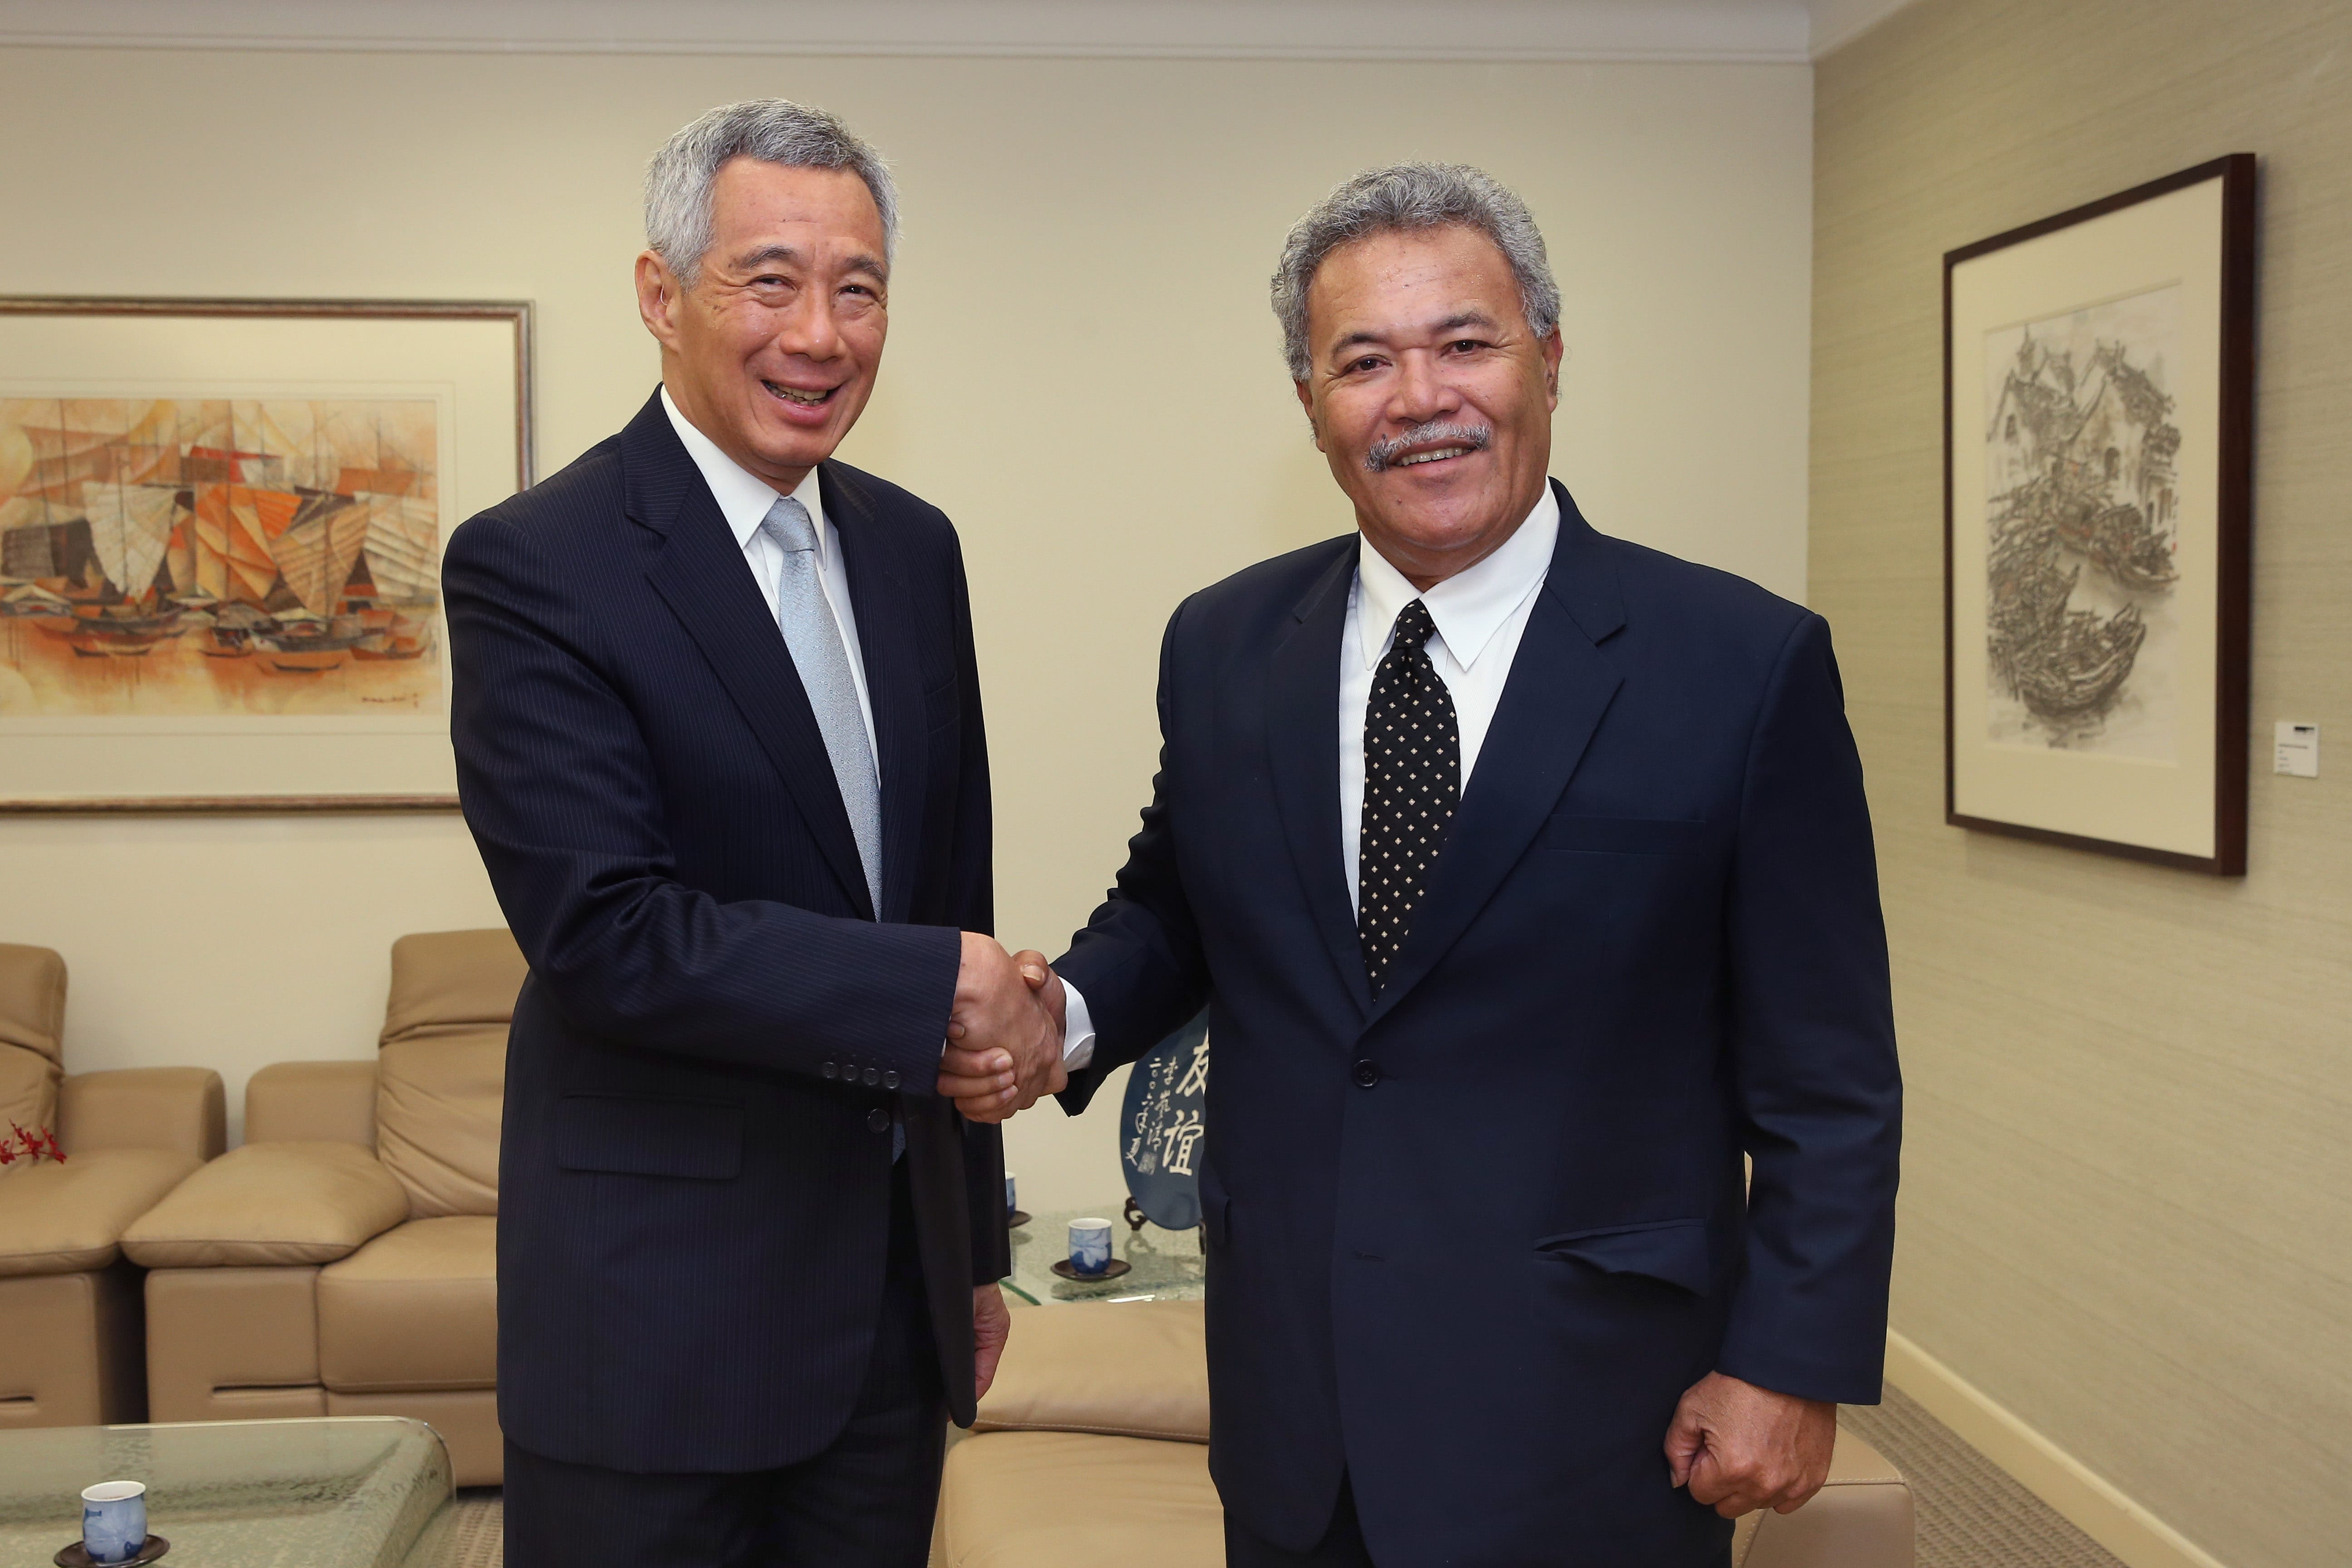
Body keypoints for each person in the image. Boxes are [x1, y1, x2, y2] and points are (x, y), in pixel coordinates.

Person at [956, 164, 1901, 1565]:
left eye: (1465, 343)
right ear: (1311, 403)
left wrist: (1791, 1361)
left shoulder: (1742, 667)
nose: (1420, 398)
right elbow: (1180, 900)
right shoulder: (1224, 644)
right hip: (1299, 1398)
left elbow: (1829, 1077)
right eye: (1365, 361)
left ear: (1550, 360)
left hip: (1597, 1413)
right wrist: (1066, 1015)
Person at [445, 100, 1067, 1568]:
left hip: (885, 1329)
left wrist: (972, 1252)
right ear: (661, 297)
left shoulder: (916, 553)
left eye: (860, 289)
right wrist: (940, 991)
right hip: (656, 1333)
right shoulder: (539, 563)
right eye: (769, 279)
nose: (822, 332)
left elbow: (943, 888)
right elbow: (607, 935)